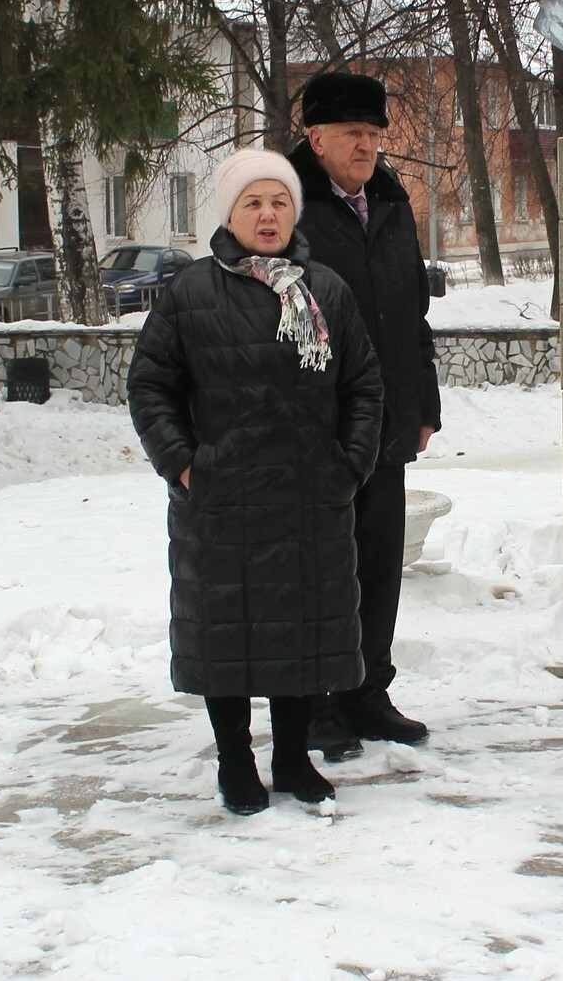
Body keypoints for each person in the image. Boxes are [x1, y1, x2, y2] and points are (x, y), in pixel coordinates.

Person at [127, 148, 385, 815]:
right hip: (222, 500)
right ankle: (235, 762)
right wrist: (186, 466)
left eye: (279, 202)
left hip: (309, 498)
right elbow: (150, 386)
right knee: (227, 635)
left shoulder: (324, 290)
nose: (267, 215)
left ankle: (293, 758)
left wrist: (349, 465)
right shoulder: (191, 292)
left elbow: (362, 384)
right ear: (230, 214)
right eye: (253, 203)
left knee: (301, 633)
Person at [289, 71, 442, 757]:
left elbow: (412, 314)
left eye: (375, 133)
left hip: (386, 420)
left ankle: (367, 693)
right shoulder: (285, 203)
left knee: (379, 563)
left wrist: (423, 404)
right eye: (352, 132)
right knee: (322, 567)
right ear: (314, 136)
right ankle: (316, 703)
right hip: (319, 426)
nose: (367, 146)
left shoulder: (388, 202)